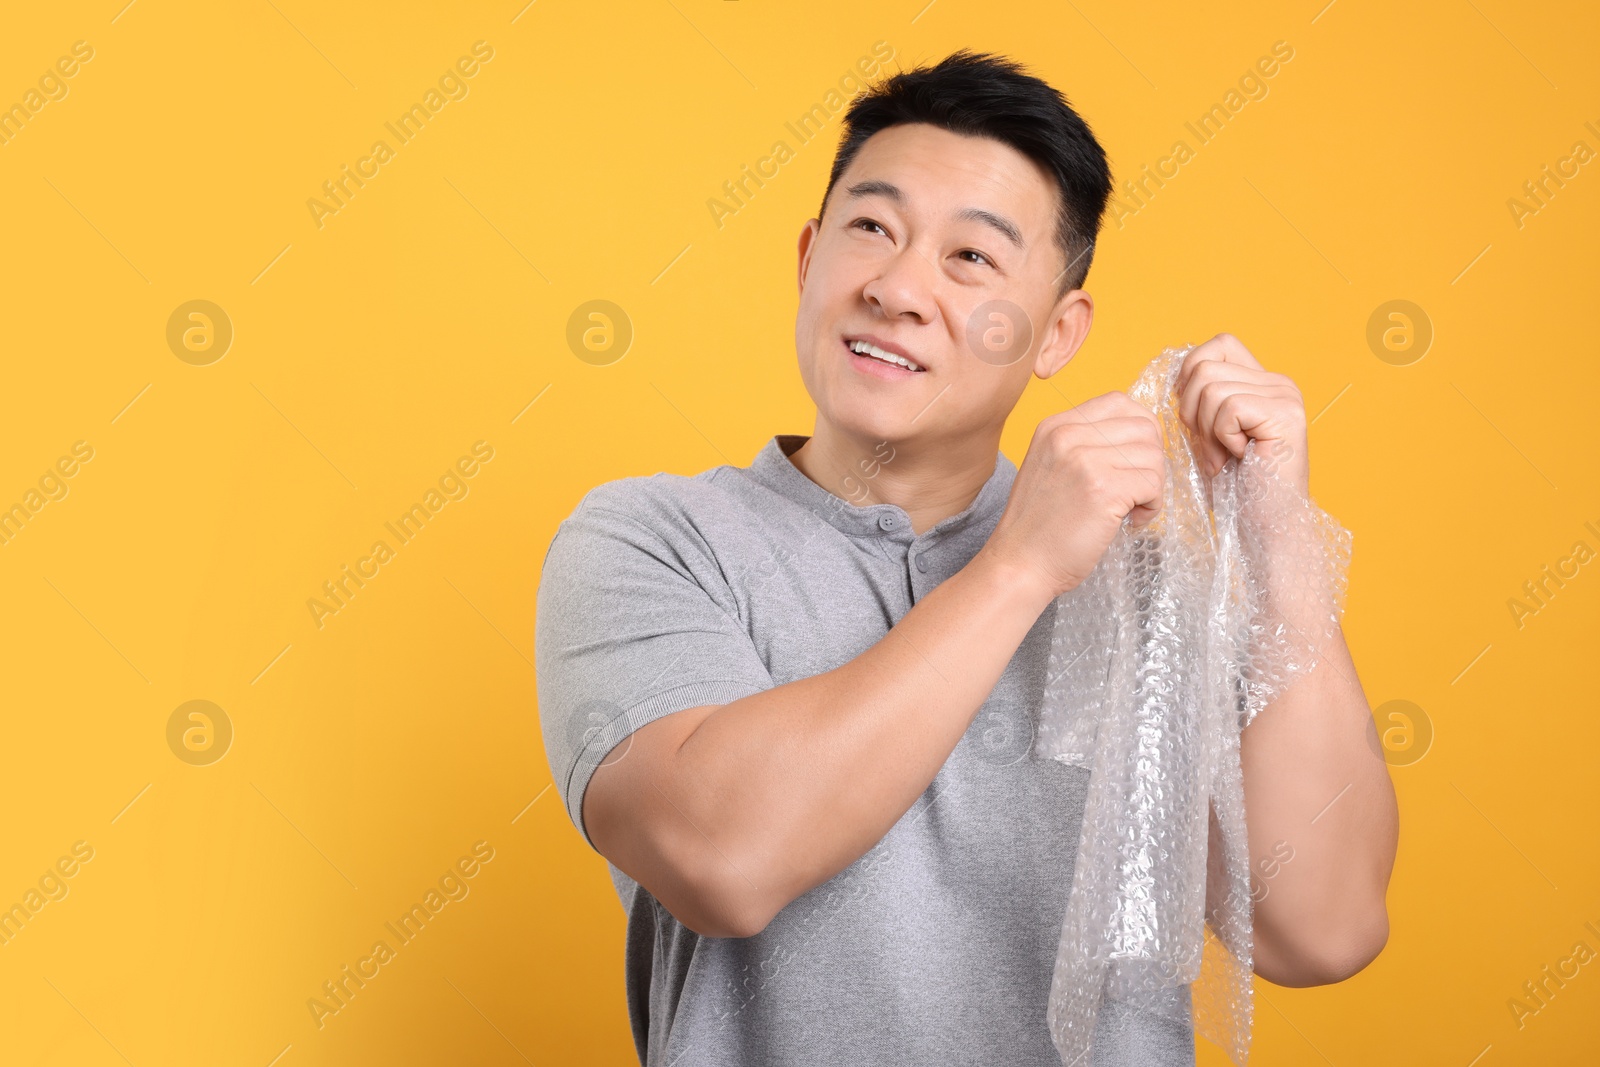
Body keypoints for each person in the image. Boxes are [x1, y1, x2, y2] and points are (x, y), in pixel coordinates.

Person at [535, 49, 1398, 1067]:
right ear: (808, 258)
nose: (898, 288)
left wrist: (1275, 531)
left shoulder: (1144, 583)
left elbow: (1322, 925)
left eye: (971, 259)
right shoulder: (654, 539)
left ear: (1056, 332)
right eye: (871, 228)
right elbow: (722, 858)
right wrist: (1018, 566)